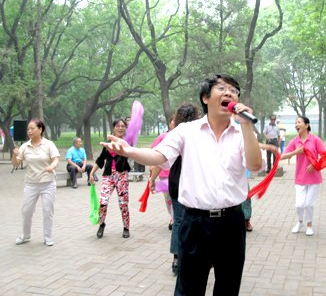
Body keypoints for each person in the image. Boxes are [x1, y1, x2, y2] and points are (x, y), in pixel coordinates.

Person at [101, 74, 263, 295]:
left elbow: (255, 165)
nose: (229, 93)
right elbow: (158, 155)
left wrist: (246, 126)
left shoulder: (241, 133)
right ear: (206, 98)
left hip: (232, 224)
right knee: (189, 289)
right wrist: (129, 151)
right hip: (195, 222)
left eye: (234, 90)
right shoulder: (187, 131)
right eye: (222, 88)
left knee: (228, 287)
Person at [164, 103, 201, 275]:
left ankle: (177, 258)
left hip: (176, 181)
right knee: (196, 221)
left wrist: (153, 177)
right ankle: (194, 256)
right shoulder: (199, 135)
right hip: (192, 182)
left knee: (179, 220)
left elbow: (159, 158)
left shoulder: (174, 134)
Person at [11, 119, 60, 246]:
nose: (29, 131)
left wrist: (52, 167)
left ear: (40, 129)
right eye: (28, 129)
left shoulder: (49, 144)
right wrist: (14, 154)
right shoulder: (25, 146)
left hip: (47, 183)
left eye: (32, 128)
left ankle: (48, 237)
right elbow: (16, 164)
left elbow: (56, 159)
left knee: (47, 210)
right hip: (31, 183)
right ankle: (25, 236)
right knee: (26, 211)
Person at [280, 116, 326, 236]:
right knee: (299, 204)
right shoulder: (295, 141)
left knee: (309, 204)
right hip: (300, 177)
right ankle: (300, 222)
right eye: (295, 122)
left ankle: (309, 225)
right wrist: (296, 152)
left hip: (314, 178)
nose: (296, 124)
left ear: (306, 125)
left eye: (299, 122)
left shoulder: (315, 140)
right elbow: (282, 156)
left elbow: (325, 155)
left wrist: (315, 164)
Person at [89, 118, 131, 239]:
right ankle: (101, 224)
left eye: (123, 126)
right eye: (118, 126)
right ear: (113, 128)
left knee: (123, 204)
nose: (120, 128)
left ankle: (126, 227)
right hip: (108, 176)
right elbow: (101, 159)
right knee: (103, 202)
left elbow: (132, 153)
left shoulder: (127, 142)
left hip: (122, 175)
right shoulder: (108, 142)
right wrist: (92, 173)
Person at [149, 116, 176, 230]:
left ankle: (174, 219)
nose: (175, 123)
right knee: (168, 199)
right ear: (170, 123)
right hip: (164, 174)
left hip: (178, 174)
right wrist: (152, 171)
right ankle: (172, 216)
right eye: (173, 120)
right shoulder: (163, 137)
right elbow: (154, 153)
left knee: (177, 198)